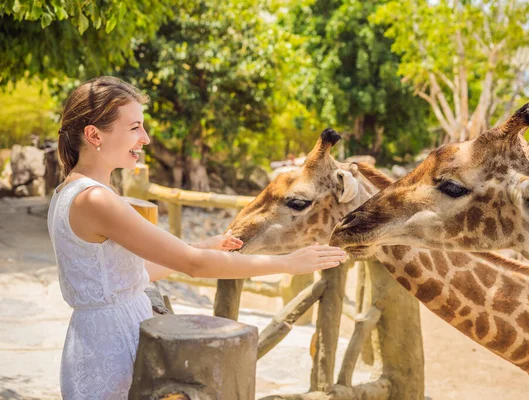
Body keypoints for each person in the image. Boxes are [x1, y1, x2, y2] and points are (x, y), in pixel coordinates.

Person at [48, 76, 346, 399]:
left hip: (98, 344)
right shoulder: (96, 200)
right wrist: (287, 263)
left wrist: (205, 244)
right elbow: (194, 266)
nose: (145, 139)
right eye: (134, 128)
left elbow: (131, 276)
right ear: (94, 135)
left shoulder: (69, 191)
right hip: (111, 355)